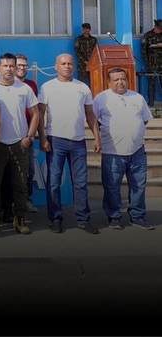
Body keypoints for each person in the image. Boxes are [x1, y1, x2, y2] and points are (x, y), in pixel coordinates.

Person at [37, 54, 101, 234]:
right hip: (55, 140)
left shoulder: (83, 87)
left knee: (80, 183)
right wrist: (42, 138)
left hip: (78, 141)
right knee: (54, 182)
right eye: (63, 64)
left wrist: (97, 137)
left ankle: (83, 219)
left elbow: (90, 114)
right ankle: (56, 219)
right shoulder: (47, 87)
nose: (67, 66)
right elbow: (40, 114)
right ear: (56, 66)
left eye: (70, 64)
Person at [93, 67, 156, 230]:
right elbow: (93, 120)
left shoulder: (138, 97)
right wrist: (99, 138)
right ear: (109, 82)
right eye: (116, 80)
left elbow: (145, 120)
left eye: (123, 79)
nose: (120, 82)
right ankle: (114, 217)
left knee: (138, 185)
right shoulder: (101, 98)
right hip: (112, 152)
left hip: (137, 151)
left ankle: (137, 216)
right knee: (112, 186)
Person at [0, 53, 39, 235]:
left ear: (16, 68)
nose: (9, 69)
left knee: (20, 184)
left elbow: (36, 115)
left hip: (20, 144)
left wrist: (30, 137)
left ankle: (20, 219)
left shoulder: (25, 89)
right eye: (5, 66)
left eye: (12, 66)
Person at [16, 53, 39, 214]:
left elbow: (36, 113)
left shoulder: (32, 85)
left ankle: (26, 199)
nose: (22, 68)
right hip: (7, 135)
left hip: (26, 135)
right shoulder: (1, 85)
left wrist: (31, 135)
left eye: (25, 65)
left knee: (28, 170)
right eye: (19, 65)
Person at [140, 19, 162, 105]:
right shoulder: (147, 36)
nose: (160, 31)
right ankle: (151, 103)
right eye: (159, 29)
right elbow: (143, 51)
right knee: (151, 84)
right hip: (152, 64)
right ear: (155, 27)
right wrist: (147, 63)